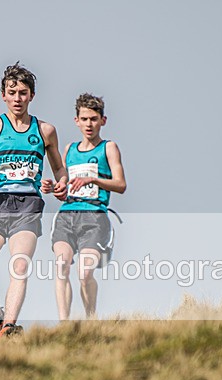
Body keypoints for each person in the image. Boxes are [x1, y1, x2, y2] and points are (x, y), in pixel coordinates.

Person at [0, 62, 68, 339]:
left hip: (28, 205)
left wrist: (59, 185)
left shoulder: (45, 130)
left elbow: (59, 169)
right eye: (12, 92)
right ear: (3, 95)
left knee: (19, 265)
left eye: (23, 92)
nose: (18, 98)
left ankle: (9, 327)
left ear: (32, 95)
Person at [45, 93, 127, 320]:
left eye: (93, 118)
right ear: (76, 121)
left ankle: (91, 319)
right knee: (61, 266)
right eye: (84, 119)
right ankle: (64, 323)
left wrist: (94, 180)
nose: (89, 124)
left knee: (85, 272)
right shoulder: (70, 149)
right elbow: (64, 189)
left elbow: (121, 185)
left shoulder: (109, 148)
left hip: (95, 217)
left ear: (103, 120)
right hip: (67, 215)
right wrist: (54, 188)